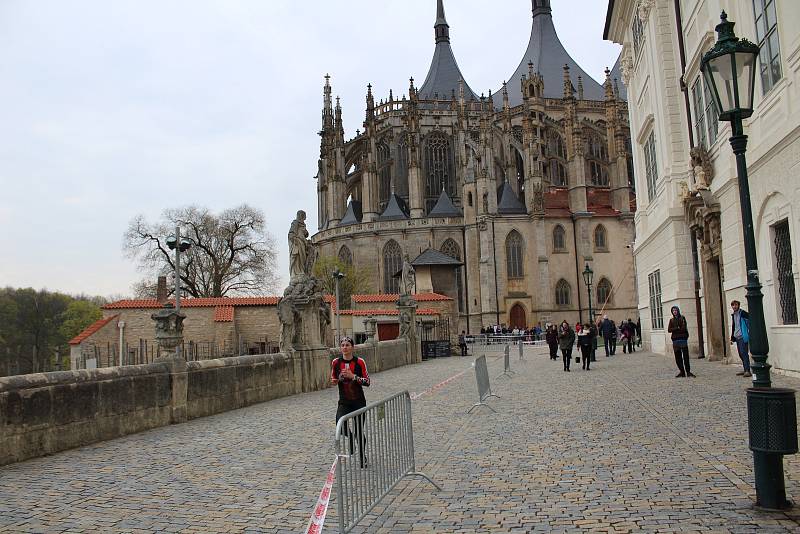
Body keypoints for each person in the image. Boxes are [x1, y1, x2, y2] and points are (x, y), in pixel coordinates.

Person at [331, 337, 371, 467]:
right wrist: (337, 379)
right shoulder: (336, 362)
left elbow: (367, 382)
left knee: (359, 430)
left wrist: (353, 377)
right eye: (342, 345)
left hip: (358, 401)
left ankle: (362, 456)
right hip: (344, 401)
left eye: (347, 345)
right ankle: (351, 437)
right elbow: (333, 379)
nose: (345, 347)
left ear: (352, 347)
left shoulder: (359, 362)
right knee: (340, 424)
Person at [667, 306, 695, 378]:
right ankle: (682, 372)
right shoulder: (671, 320)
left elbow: (683, 328)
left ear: (678, 311)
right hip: (675, 340)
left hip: (683, 339)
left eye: (675, 310)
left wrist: (676, 329)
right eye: (673, 311)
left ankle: (688, 372)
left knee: (685, 357)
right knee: (678, 357)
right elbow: (669, 330)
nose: (675, 312)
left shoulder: (682, 318)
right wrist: (676, 328)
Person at [730, 300, 752, 377]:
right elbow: (734, 326)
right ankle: (745, 368)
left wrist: (749, 332)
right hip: (737, 336)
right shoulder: (733, 315)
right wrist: (732, 337)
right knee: (740, 353)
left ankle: (747, 370)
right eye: (733, 305)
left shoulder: (743, 313)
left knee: (744, 353)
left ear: (738, 305)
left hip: (743, 336)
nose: (734, 306)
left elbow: (749, 321)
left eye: (736, 305)